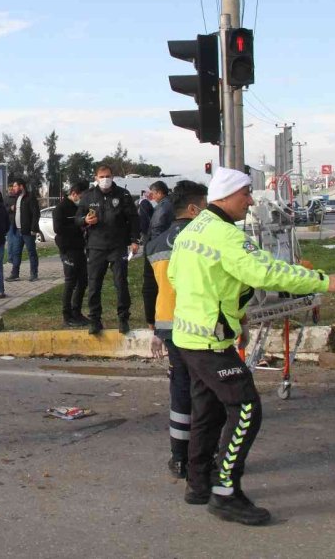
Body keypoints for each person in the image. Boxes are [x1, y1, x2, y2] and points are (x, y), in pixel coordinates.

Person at [167, 167, 335, 525]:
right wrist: (322, 280)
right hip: (209, 339)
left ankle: (199, 483)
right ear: (226, 196)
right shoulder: (226, 235)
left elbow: (181, 277)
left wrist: (231, 312)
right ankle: (225, 492)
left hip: (189, 336)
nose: (251, 201)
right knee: (246, 408)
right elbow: (265, 272)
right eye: (246, 194)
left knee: (208, 411)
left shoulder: (192, 230)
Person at [144, 180, 207, 480]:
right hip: (202, 327)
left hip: (169, 327)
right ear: (194, 207)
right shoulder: (206, 240)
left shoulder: (156, 245)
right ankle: (206, 456)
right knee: (206, 391)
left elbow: (149, 289)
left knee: (180, 390)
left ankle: (179, 458)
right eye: (205, 206)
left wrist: (153, 326)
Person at [76, 165, 140, 336]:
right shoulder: (88, 195)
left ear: (113, 176)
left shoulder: (123, 195)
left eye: (108, 176)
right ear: (96, 177)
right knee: (94, 285)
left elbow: (133, 218)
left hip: (118, 246)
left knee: (121, 283)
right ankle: (95, 320)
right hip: (96, 247)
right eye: (102, 176)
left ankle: (123, 318)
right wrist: (85, 220)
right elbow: (77, 218)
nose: (105, 179)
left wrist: (134, 239)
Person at [54, 180, 90, 326]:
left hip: (80, 248)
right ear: (74, 194)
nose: (83, 199)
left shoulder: (81, 207)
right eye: (82, 195)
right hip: (68, 249)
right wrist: (79, 226)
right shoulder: (61, 208)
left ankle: (77, 312)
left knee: (83, 281)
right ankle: (67, 315)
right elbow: (58, 229)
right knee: (70, 282)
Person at [141, 180, 172, 330]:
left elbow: (156, 230)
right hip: (164, 249)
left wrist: (152, 248)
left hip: (157, 252)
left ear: (159, 192)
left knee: (151, 287)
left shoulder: (163, 207)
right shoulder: (168, 205)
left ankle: (152, 320)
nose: (151, 196)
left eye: (153, 193)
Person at [5, 177, 41, 282]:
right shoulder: (17, 198)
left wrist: (33, 228)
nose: (14, 188)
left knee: (31, 252)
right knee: (16, 252)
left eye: (15, 186)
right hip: (18, 231)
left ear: (21, 186)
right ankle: (15, 274)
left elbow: (36, 213)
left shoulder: (30, 197)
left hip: (28, 231)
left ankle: (34, 274)